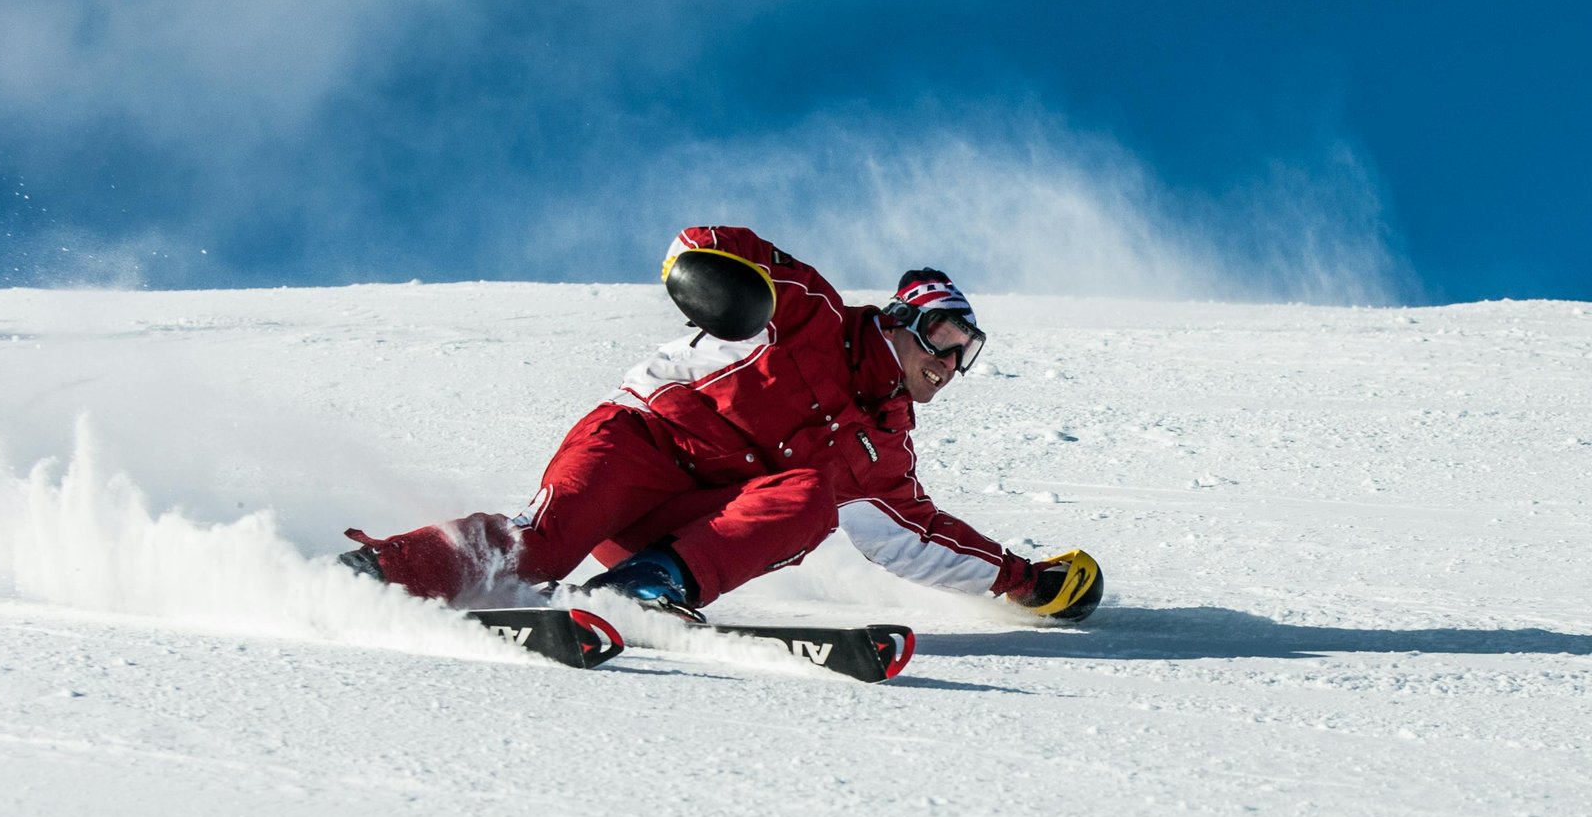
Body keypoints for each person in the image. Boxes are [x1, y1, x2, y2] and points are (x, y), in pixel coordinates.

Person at [339, 225, 1101, 623]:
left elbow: (921, 539)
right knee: (541, 546)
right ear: (903, 321)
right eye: (943, 339)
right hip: (637, 446)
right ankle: (386, 573)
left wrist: (1025, 581)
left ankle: (643, 590)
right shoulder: (812, 313)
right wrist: (716, 287)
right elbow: (708, 243)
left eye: (965, 353)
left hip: (682, 528)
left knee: (809, 500)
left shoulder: (883, 450)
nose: (950, 363)